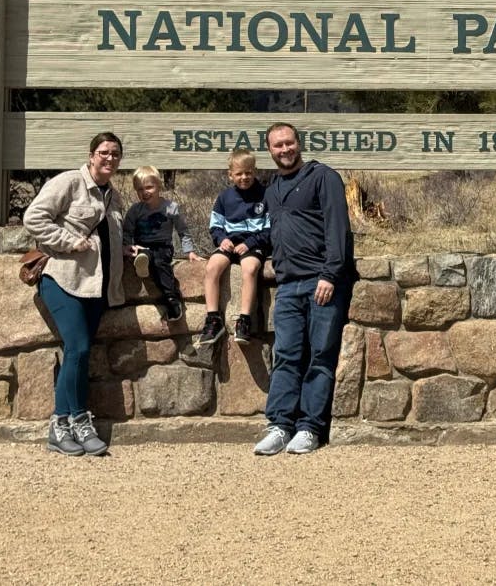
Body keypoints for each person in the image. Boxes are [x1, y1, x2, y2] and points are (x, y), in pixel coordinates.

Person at [23, 132, 130, 457]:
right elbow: (33, 218)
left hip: (96, 286)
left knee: (79, 355)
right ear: (91, 154)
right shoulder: (69, 183)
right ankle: (70, 420)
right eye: (103, 152)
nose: (108, 158)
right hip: (63, 279)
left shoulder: (114, 197)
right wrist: (69, 242)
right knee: (78, 348)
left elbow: (108, 237)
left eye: (114, 154)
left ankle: (70, 426)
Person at [253, 123, 355, 456]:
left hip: (321, 282)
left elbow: (337, 228)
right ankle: (280, 425)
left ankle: (310, 428)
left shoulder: (323, 177)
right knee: (285, 356)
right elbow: (268, 233)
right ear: (269, 150)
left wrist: (329, 273)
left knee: (321, 357)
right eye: (277, 146)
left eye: (289, 143)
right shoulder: (272, 189)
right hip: (287, 284)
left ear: (299, 143)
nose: (284, 150)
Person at [198, 148, 270, 346]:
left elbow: (270, 229)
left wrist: (250, 243)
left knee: (250, 268)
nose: (244, 177)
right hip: (229, 244)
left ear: (255, 171)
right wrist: (221, 239)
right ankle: (213, 319)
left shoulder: (265, 196)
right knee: (212, 267)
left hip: (254, 244)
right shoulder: (224, 198)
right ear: (230, 175)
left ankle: (244, 320)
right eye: (239, 173)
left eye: (248, 172)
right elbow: (215, 225)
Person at [123, 165, 200, 322]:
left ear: (159, 185)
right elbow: (127, 232)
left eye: (149, 187)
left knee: (159, 261)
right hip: (141, 247)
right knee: (144, 255)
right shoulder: (135, 211)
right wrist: (126, 246)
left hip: (162, 246)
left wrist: (189, 251)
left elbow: (183, 231)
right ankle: (143, 265)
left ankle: (171, 298)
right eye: (140, 189)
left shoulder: (171, 208)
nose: (145, 192)